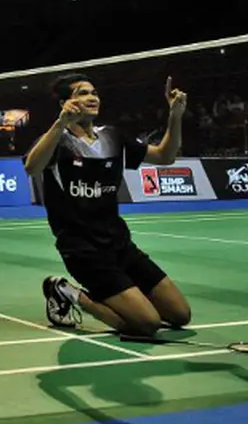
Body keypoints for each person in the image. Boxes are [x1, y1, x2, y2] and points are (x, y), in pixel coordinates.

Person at [25, 72, 191, 338]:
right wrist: (59, 125)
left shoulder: (113, 136)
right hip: (84, 252)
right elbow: (32, 167)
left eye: (94, 92)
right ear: (65, 103)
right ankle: (70, 293)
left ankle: (126, 298)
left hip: (120, 245)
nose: (92, 97)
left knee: (180, 315)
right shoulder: (57, 141)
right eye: (82, 93)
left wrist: (175, 115)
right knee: (147, 324)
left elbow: (165, 156)